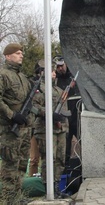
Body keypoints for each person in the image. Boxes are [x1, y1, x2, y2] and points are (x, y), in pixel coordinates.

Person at [0, 43, 34, 203]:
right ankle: (8, 199)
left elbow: (31, 101)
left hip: (24, 129)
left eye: (22, 53)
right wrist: (12, 115)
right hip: (9, 129)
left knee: (21, 164)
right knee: (10, 166)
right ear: (8, 56)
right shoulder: (3, 74)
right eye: (18, 53)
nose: (21, 55)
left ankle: (17, 196)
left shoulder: (23, 77)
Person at [32, 59, 69, 198]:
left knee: (60, 159)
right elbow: (34, 107)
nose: (54, 73)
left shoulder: (58, 90)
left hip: (60, 129)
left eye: (54, 71)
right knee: (49, 159)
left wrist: (62, 122)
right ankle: (48, 188)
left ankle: (57, 187)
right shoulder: (38, 88)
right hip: (45, 128)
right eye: (51, 71)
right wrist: (49, 114)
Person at [53, 55, 81, 165]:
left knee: (81, 142)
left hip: (76, 115)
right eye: (58, 67)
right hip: (63, 118)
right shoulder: (55, 80)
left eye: (62, 66)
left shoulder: (74, 77)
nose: (60, 69)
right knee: (64, 148)